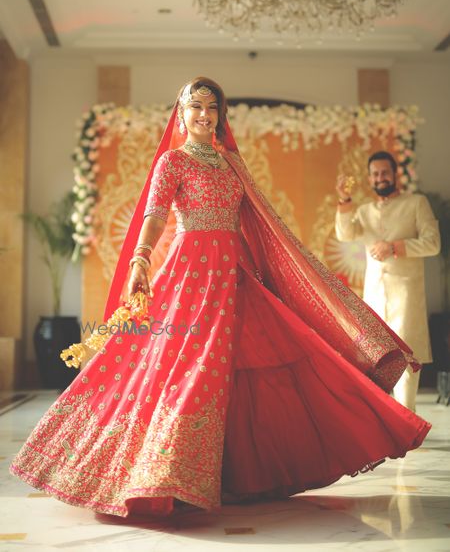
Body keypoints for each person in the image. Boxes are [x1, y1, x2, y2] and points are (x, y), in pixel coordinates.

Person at [10, 79, 431, 519]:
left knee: (258, 367)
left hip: (235, 278)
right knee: (182, 368)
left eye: (212, 108)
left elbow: (261, 224)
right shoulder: (172, 162)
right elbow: (154, 214)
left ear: (221, 115)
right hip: (189, 277)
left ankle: (226, 476)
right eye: (195, 107)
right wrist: (140, 258)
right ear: (181, 112)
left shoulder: (232, 164)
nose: (204, 115)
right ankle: (165, 476)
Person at [335, 150, 440, 412]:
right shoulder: (365, 210)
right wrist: (344, 200)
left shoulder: (416, 203)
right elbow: (345, 234)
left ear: (395, 175)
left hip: (406, 294)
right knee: (378, 356)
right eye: (375, 174)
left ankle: (408, 419)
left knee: (406, 355)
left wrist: (394, 248)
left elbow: (433, 243)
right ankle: (385, 424)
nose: (380, 178)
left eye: (385, 172)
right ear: (370, 179)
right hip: (375, 294)